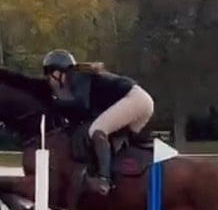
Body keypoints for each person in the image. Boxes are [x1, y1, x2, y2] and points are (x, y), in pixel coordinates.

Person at [41, 49, 155, 195]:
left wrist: (55, 102)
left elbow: (82, 106)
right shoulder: (80, 77)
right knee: (117, 141)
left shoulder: (77, 76)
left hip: (134, 99)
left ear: (57, 72)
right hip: (141, 101)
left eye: (50, 76)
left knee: (97, 130)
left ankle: (104, 179)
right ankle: (120, 179)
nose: (50, 81)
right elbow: (85, 113)